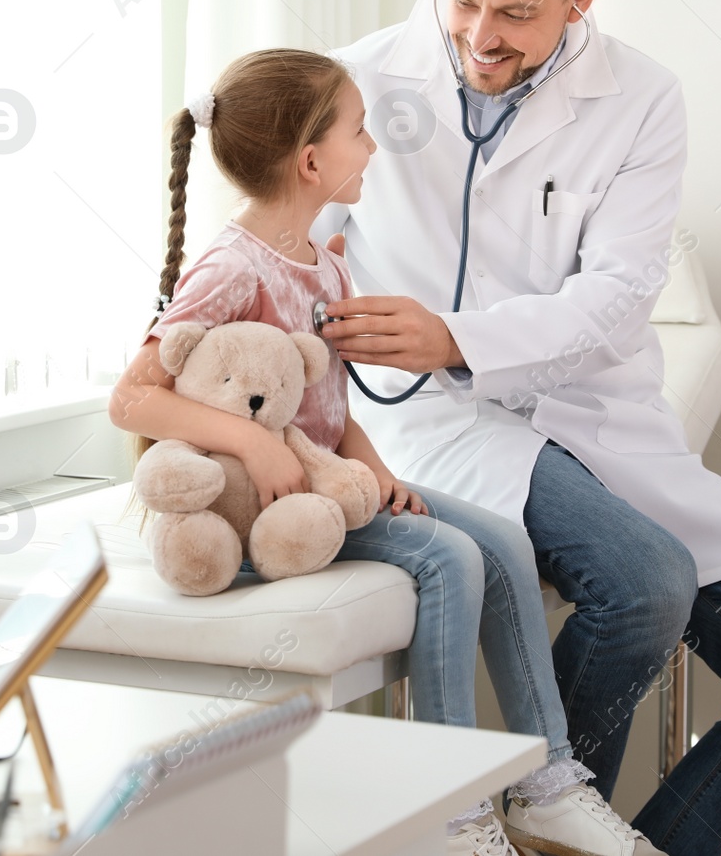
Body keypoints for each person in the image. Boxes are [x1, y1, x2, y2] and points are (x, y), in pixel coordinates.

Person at [309, 0, 721, 855]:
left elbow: (615, 299)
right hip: (430, 414)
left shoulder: (642, 98)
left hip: (597, 416)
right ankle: (541, 796)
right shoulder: (358, 78)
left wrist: (459, 333)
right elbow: (285, 245)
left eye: (516, 14)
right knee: (643, 580)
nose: (480, 36)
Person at [109, 48, 668, 856]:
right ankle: (445, 808)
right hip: (263, 508)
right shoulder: (233, 266)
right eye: (358, 132)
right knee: (450, 558)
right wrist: (251, 447)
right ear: (311, 161)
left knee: (503, 537)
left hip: (327, 483)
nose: (372, 148)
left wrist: (375, 467)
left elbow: (331, 407)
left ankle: (547, 780)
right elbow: (132, 395)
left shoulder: (324, 265)